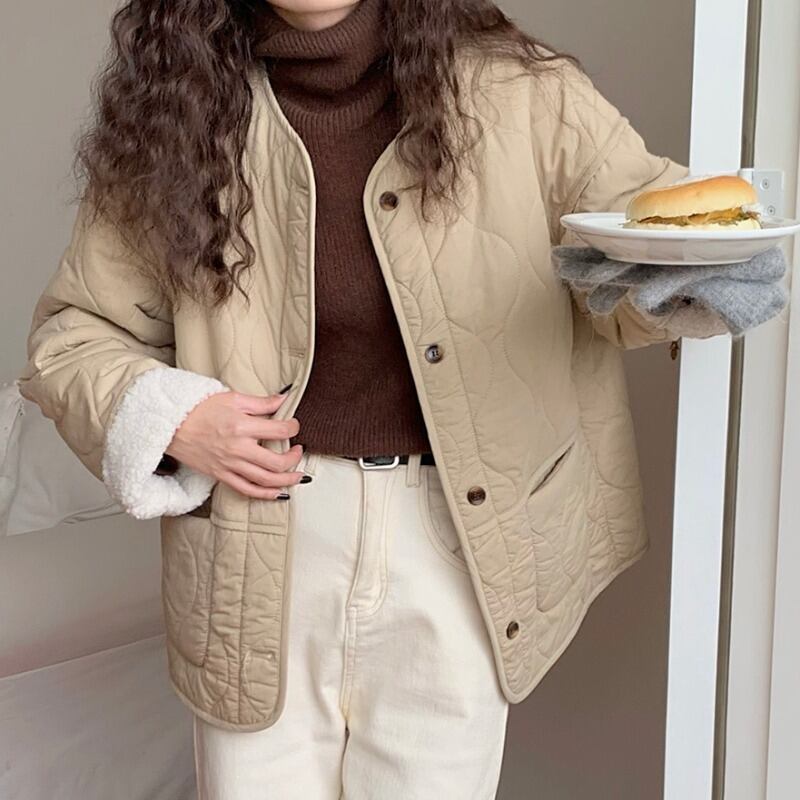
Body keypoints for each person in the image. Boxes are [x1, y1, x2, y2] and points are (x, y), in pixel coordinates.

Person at [16, 0, 729, 797]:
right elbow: (72, 338)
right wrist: (175, 417)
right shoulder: (176, 108)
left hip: (457, 537)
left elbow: (652, 247)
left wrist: (706, 274)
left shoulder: (522, 90)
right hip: (255, 544)